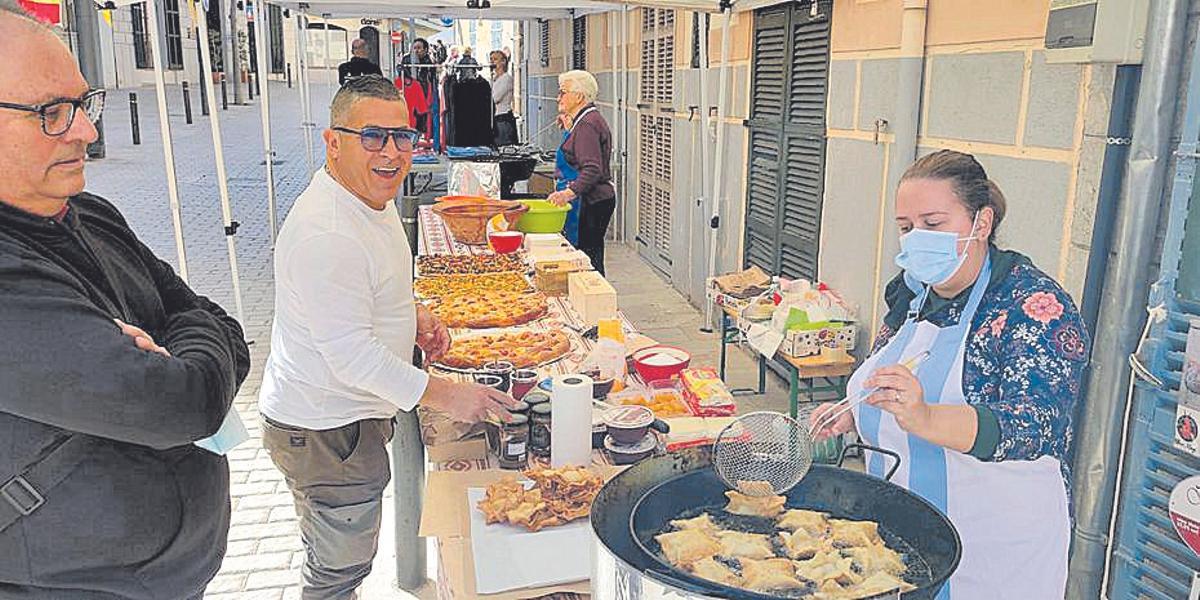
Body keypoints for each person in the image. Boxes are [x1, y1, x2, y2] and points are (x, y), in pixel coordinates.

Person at [0, 4, 251, 599]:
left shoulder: (91, 215)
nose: (86, 131)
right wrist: (182, 355)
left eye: (83, 105)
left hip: (171, 571)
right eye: (51, 113)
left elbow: (224, 326)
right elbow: (181, 406)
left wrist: (180, 340)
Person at [259, 75, 516, 600]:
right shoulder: (329, 231)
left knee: (342, 557)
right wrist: (450, 395)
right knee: (337, 571)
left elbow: (369, 291)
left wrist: (412, 315)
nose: (392, 152)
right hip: (327, 431)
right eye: (372, 136)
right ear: (333, 142)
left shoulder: (364, 202)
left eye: (403, 136)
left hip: (343, 423)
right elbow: (352, 357)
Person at [811, 150, 1090, 599]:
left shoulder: (1033, 305)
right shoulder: (913, 293)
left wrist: (924, 418)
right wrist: (858, 409)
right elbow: (889, 371)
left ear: (981, 222)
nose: (917, 238)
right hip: (902, 535)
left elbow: (1035, 425)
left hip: (993, 545)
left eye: (934, 223)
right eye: (906, 227)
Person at [547, 70, 615, 275]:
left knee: (587, 260)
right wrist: (570, 128)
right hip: (590, 200)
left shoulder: (586, 124)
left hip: (590, 202)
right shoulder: (583, 120)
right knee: (588, 256)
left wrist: (567, 193)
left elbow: (592, 169)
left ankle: (595, 301)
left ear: (579, 96)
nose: (558, 97)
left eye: (563, 92)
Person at [554, 112, 581, 246]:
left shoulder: (581, 133)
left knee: (573, 234)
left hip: (573, 189)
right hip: (563, 186)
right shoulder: (568, 135)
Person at [490, 50, 517, 147]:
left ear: (503, 62)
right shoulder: (494, 78)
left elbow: (495, 98)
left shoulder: (506, 78)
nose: (492, 62)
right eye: (491, 59)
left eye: (495, 59)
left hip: (503, 119)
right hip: (495, 119)